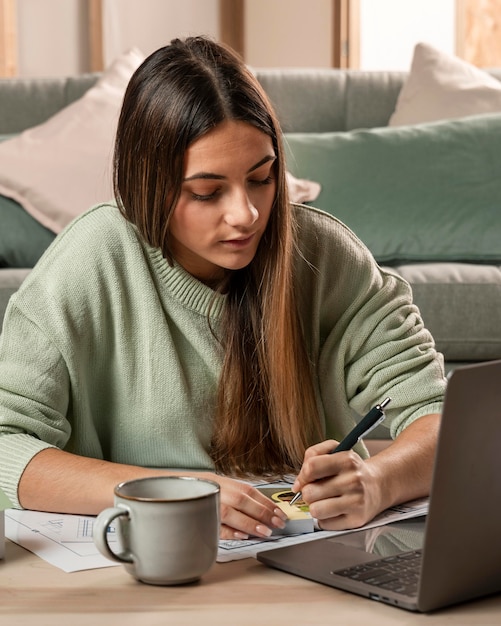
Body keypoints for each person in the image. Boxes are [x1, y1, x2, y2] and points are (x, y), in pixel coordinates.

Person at [0, 36, 445, 540]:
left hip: (315, 561)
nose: (246, 215)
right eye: (207, 192)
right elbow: (5, 445)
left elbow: (442, 416)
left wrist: (379, 480)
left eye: (261, 178)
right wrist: (170, 491)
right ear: (148, 184)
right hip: (148, 573)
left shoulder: (324, 256)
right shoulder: (89, 261)